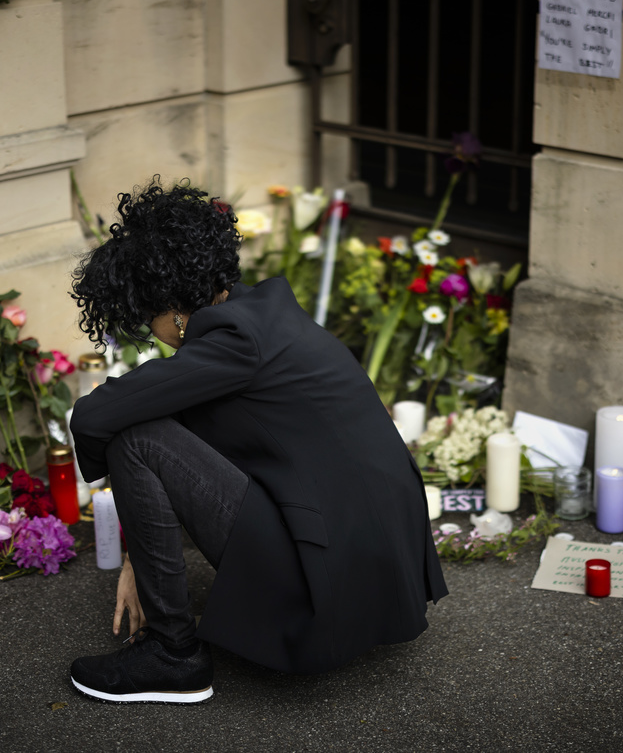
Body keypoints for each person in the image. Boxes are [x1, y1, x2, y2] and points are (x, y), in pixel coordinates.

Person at [67, 179, 447, 704]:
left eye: (143, 316)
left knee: (134, 437)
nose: (149, 331)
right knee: (149, 423)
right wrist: (137, 555)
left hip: (332, 578)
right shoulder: (262, 315)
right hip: (375, 566)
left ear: (168, 304)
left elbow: (94, 415)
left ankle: (173, 654)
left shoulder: (235, 342)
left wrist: (137, 543)